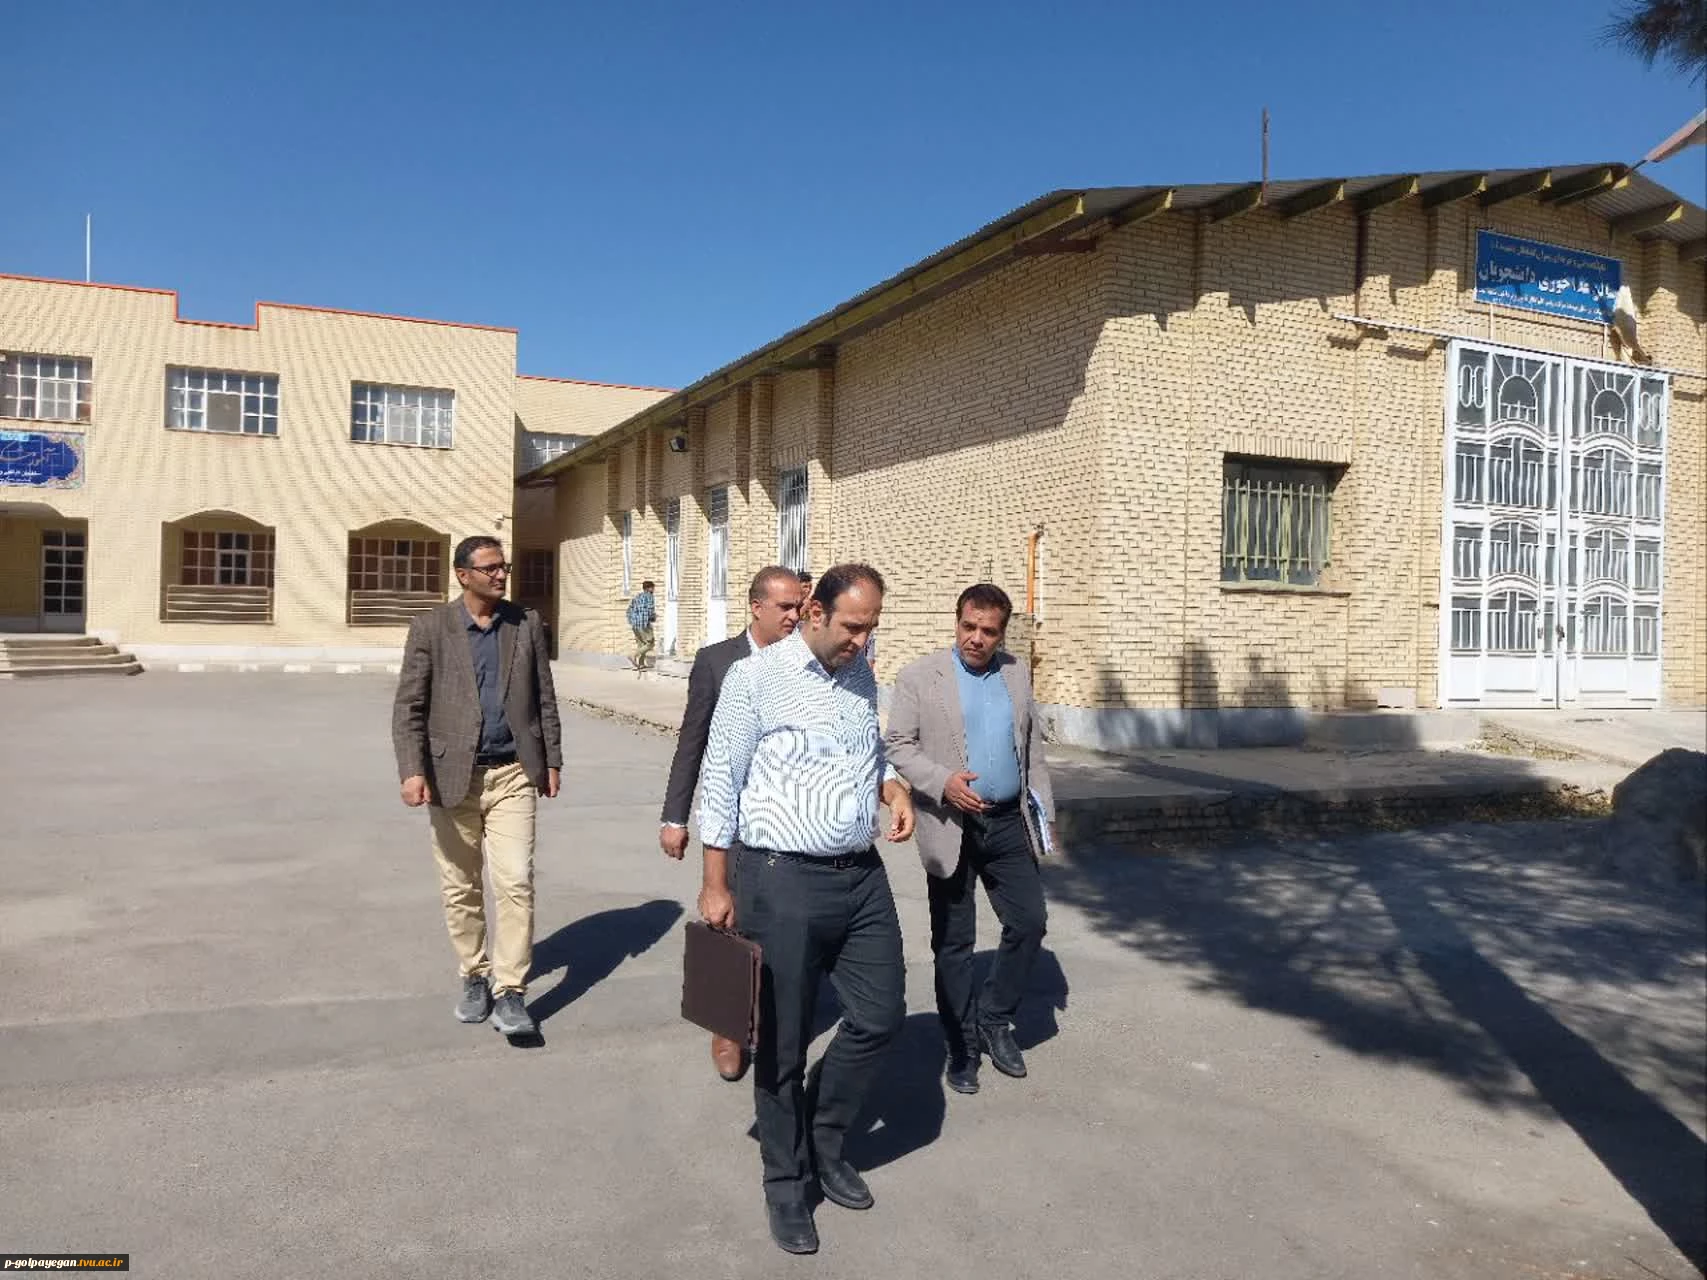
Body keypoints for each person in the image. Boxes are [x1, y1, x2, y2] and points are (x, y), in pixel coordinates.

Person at [697, 563, 915, 1256]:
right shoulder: (754, 678)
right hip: (779, 879)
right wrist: (715, 882)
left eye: (871, 628)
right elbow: (719, 780)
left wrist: (891, 787)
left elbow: (866, 751)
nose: (862, 640)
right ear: (815, 612)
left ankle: (822, 1139)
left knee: (879, 1015)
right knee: (782, 1042)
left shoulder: (859, 675)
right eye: (853, 627)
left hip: (860, 877)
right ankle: (785, 1181)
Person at [884, 583, 1057, 1095]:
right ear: (956, 621)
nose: (976, 638)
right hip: (951, 824)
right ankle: (961, 1045)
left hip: (1007, 823)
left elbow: (1031, 749)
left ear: (1002, 634)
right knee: (954, 942)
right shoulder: (919, 676)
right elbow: (898, 745)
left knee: (1029, 921)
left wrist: (1044, 815)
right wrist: (943, 783)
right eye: (968, 627)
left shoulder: (1015, 673)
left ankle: (994, 1019)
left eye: (988, 631)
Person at [392, 535, 563, 1038]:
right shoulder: (431, 628)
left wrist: (552, 759)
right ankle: (474, 975)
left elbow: (544, 698)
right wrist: (411, 769)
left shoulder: (524, 623)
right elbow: (409, 706)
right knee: (460, 884)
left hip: (513, 773)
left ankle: (511, 990)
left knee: (515, 881)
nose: (501, 574)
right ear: (462, 574)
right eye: (490, 568)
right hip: (452, 776)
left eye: (503, 566)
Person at [659, 565, 806, 1082]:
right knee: (730, 920)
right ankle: (728, 1028)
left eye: (800, 606)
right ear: (756, 606)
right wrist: (675, 816)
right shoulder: (717, 662)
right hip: (735, 819)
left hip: (787, 820)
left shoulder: (806, 660)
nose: (795, 615)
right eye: (785, 607)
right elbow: (692, 742)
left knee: (782, 923)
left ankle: (773, 1017)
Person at [627, 580, 657, 672]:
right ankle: (634, 655)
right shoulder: (650, 596)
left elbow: (629, 610)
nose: (654, 590)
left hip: (635, 624)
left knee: (641, 644)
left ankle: (641, 664)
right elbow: (650, 610)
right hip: (644, 624)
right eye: (653, 588)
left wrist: (632, 621)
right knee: (650, 644)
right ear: (649, 588)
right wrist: (653, 617)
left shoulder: (637, 597)